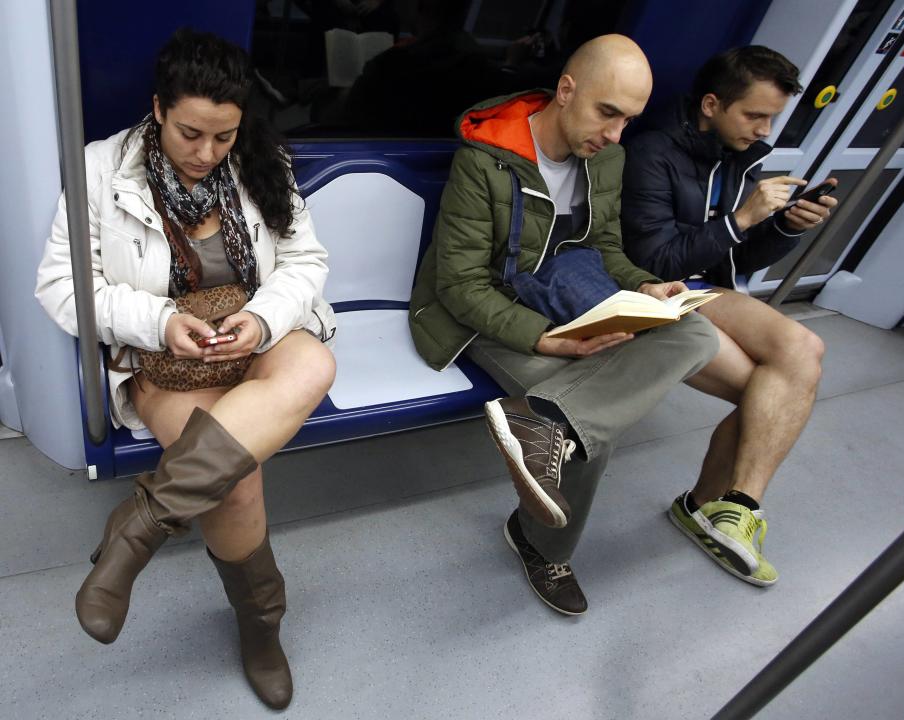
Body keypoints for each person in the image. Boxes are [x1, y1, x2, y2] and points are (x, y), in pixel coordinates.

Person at [35, 29, 336, 710]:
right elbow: (61, 288)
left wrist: (260, 321)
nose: (207, 154)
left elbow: (305, 264)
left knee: (313, 362)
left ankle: (140, 527)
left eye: (224, 137)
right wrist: (159, 322)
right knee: (235, 483)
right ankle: (262, 627)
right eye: (191, 133)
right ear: (158, 110)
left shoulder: (261, 161)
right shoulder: (99, 170)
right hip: (167, 360)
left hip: (249, 336)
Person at [408, 34, 719, 616]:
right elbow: (460, 284)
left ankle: (547, 424)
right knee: (586, 418)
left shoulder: (605, 157)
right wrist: (544, 339)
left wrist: (644, 286)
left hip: (568, 294)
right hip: (482, 314)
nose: (615, 134)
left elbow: (605, 249)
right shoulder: (487, 159)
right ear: (567, 90)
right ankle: (538, 542)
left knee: (697, 333)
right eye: (607, 113)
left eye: (629, 120)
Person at [621, 46, 835, 586]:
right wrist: (742, 218)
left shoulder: (740, 156)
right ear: (712, 104)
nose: (763, 130)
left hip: (708, 292)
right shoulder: (651, 153)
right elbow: (656, 260)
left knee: (803, 354)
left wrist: (785, 227)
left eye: (771, 119)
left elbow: (734, 258)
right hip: (656, 294)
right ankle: (703, 510)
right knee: (775, 392)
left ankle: (736, 506)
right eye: (754, 115)